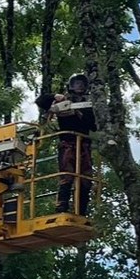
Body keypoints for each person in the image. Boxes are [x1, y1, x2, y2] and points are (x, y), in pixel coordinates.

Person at [51, 72, 95, 215]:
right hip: (68, 143)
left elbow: (94, 125)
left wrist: (79, 113)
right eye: (77, 83)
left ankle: (81, 211)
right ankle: (61, 208)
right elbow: (42, 102)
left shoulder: (89, 105)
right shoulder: (63, 102)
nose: (80, 86)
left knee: (86, 178)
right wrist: (55, 97)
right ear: (71, 86)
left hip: (84, 145)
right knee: (67, 175)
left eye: (82, 84)